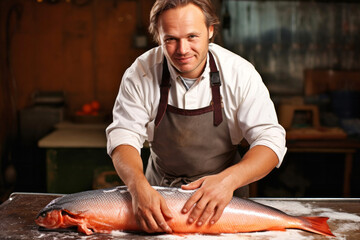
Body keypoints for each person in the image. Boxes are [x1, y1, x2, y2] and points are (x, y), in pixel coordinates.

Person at [106, 0, 286, 234]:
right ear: (158, 37)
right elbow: (124, 135)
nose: (182, 50)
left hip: (225, 201)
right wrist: (138, 186)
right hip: (158, 197)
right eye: (170, 39)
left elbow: (270, 141)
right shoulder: (140, 73)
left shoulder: (240, 73)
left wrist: (228, 181)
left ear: (210, 31)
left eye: (192, 36)